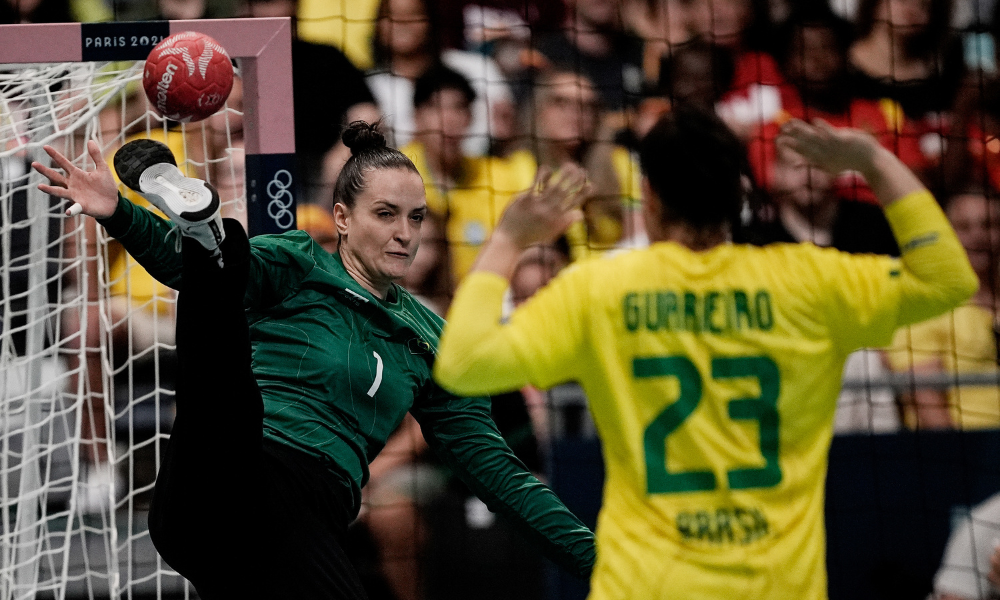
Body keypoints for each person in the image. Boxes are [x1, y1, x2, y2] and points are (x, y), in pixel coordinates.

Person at [31, 121, 595, 599]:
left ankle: (208, 236)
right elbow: (181, 272)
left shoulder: (433, 341)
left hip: (295, 519)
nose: (404, 234)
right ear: (343, 217)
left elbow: (504, 478)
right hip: (226, 465)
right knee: (222, 339)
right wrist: (116, 212)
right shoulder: (299, 262)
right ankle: (204, 231)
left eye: (416, 218)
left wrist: (599, 561)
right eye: (386, 214)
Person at [432, 106, 979, 598]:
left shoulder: (601, 290)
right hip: (778, 587)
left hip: (646, 585)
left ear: (650, 197)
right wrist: (871, 159)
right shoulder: (809, 282)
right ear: (740, 195)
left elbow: (462, 364)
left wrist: (507, 240)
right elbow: (949, 279)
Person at [887, 189, 1000, 430]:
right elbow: (926, 401)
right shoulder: (925, 305)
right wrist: (960, 462)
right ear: (946, 235)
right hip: (965, 450)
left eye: (989, 225)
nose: (978, 235)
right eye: (964, 227)